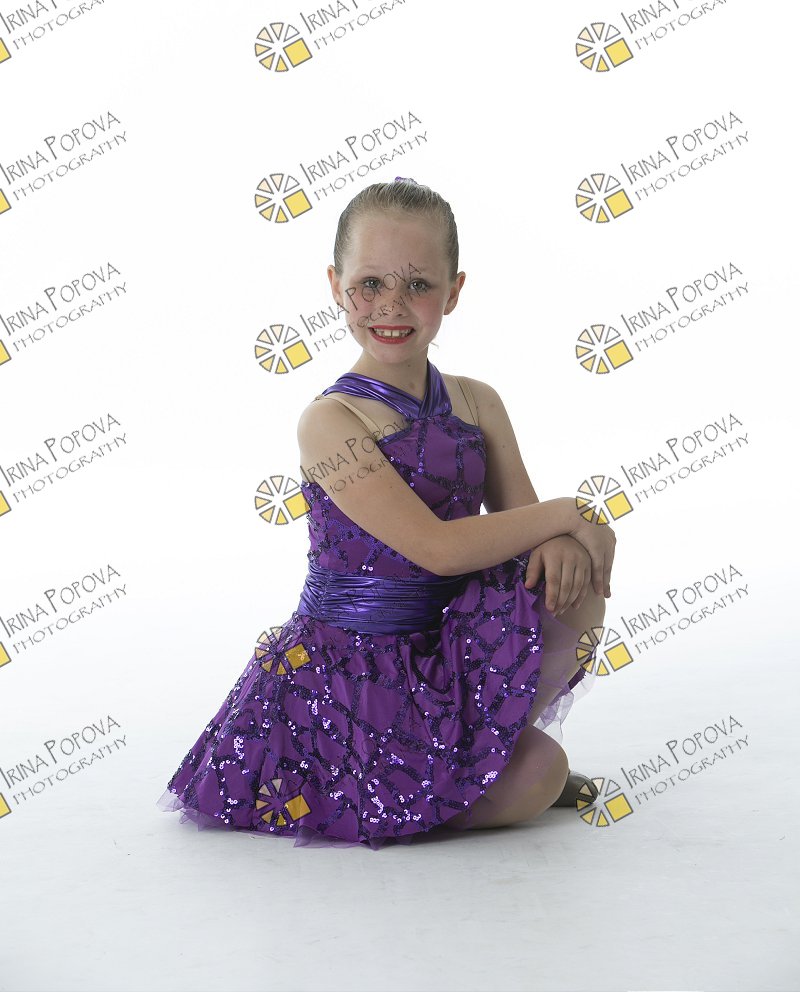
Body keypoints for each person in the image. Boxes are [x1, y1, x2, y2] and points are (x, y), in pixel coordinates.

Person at [156, 177, 615, 849]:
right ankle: (405, 794)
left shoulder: (478, 401)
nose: (392, 306)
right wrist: (575, 510)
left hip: (445, 647)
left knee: (571, 573)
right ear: (336, 285)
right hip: (349, 673)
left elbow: (531, 535)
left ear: (453, 292)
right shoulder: (330, 421)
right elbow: (437, 549)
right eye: (370, 284)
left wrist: (573, 534)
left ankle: (475, 761)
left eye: (418, 285)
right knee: (542, 772)